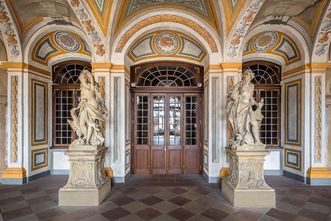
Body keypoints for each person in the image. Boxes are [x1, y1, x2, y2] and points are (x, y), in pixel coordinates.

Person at [68, 70, 108, 146]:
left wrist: (86, 73)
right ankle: (86, 137)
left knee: (91, 123)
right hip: (84, 105)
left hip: (92, 104)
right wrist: (78, 106)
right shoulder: (82, 88)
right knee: (82, 123)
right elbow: (82, 98)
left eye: (82, 79)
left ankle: (88, 141)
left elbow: (92, 79)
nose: (82, 81)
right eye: (81, 80)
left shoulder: (91, 85)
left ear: (86, 79)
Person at [226, 68, 264, 147]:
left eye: (250, 76)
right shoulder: (240, 84)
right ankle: (242, 139)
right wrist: (234, 95)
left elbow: (251, 97)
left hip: (249, 106)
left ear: (251, 77)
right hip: (240, 106)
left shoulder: (251, 85)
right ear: (243, 76)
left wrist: (256, 104)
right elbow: (231, 94)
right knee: (241, 126)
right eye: (246, 76)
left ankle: (257, 141)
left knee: (254, 123)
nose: (248, 78)